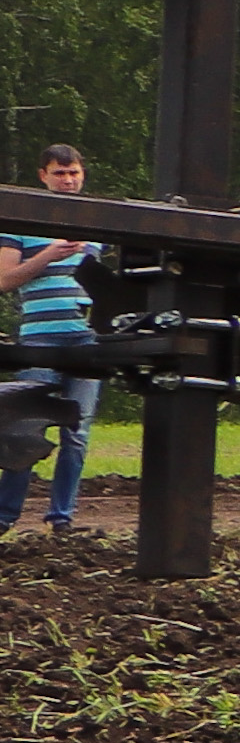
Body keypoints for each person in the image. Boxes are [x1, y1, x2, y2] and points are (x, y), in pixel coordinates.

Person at [8, 148, 95, 535]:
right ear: (42, 175)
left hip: (88, 339)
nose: (68, 180)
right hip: (40, 337)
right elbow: (4, 279)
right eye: (60, 173)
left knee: (77, 434)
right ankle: (5, 514)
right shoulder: (19, 222)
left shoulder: (98, 225)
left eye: (74, 173)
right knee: (26, 426)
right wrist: (48, 254)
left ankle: (62, 519)